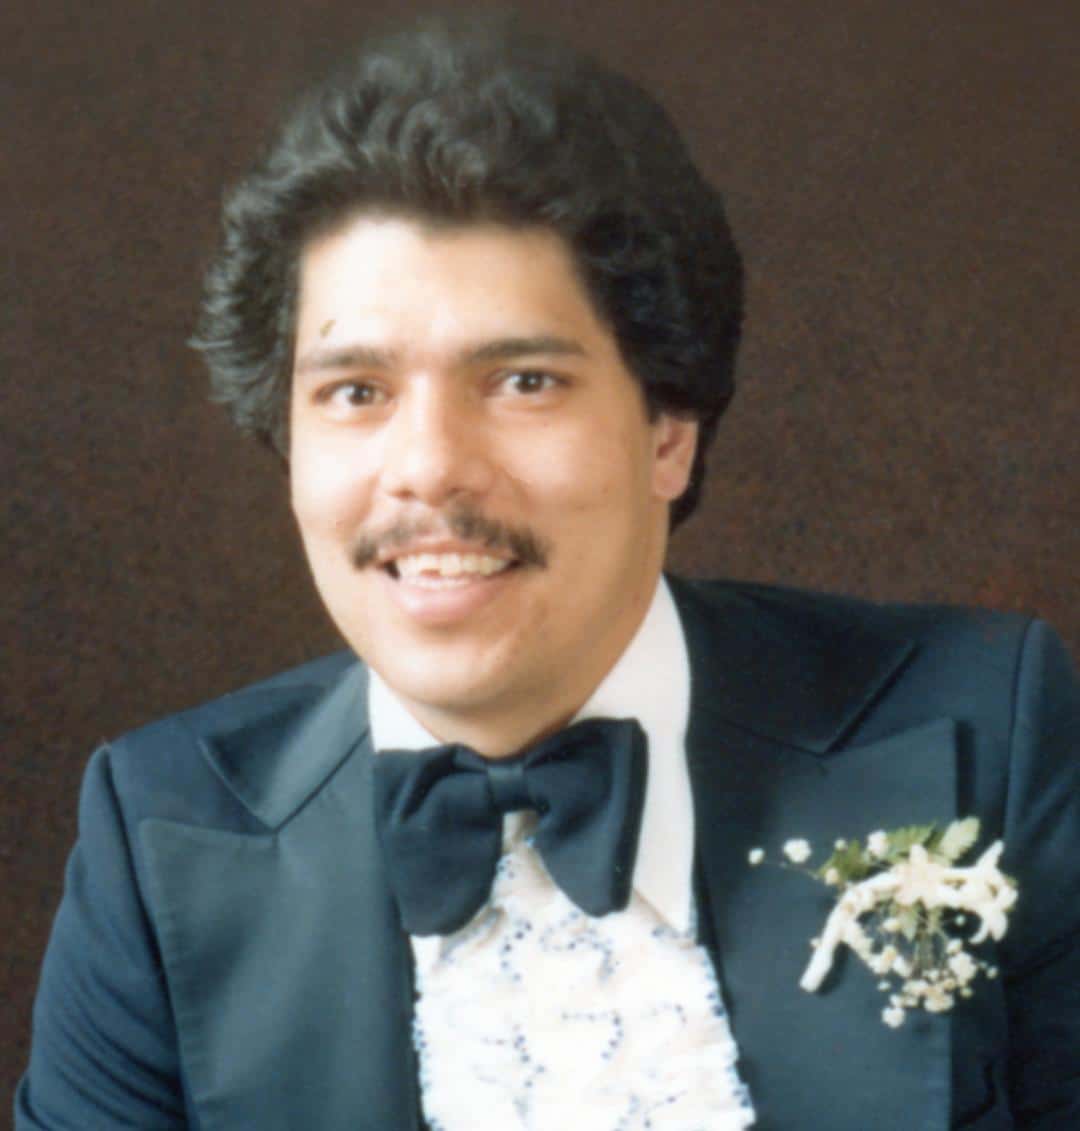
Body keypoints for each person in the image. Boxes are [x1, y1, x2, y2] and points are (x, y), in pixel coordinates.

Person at [16, 14, 1079, 1130]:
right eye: (356, 392)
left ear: (669, 429)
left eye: (522, 381)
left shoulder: (984, 734)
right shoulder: (158, 840)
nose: (428, 467)